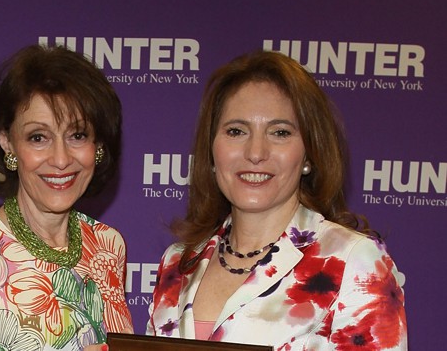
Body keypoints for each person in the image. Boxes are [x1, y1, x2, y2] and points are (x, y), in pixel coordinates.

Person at [146, 50, 407, 349]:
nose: (256, 152)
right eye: (236, 131)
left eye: (280, 132)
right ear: (212, 152)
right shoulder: (178, 261)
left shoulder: (354, 261)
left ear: (309, 153)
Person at [0, 45, 134, 350]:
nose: (61, 159)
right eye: (38, 137)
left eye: (77, 135)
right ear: (7, 143)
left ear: (98, 143)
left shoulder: (108, 244)